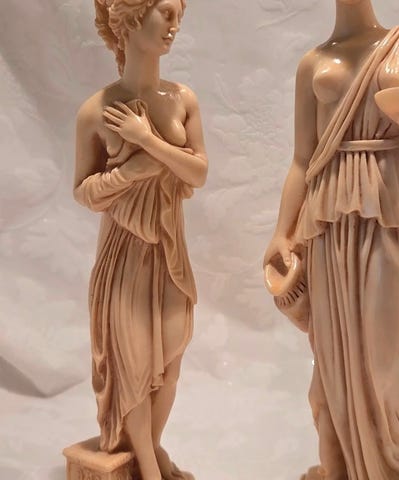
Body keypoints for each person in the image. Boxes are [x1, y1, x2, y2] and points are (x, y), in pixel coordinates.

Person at [264, 1, 399, 479]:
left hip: (383, 217)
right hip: (325, 223)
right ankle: (341, 466)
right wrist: (281, 230)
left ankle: (385, 464)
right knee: (331, 360)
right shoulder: (313, 62)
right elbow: (303, 159)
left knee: (381, 357)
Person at [73, 1, 208, 479]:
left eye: (179, 16)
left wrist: (147, 141)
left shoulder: (183, 99)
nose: (175, 26)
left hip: (169, 249)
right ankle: (149, 466)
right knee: (132, 366)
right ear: (132, 18)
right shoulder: (96, 109)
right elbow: (83, 192)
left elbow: (199, 172)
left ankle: (151, 447)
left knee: (169, 361)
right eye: (165, 14)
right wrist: (129, 173)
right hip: (124, 253)